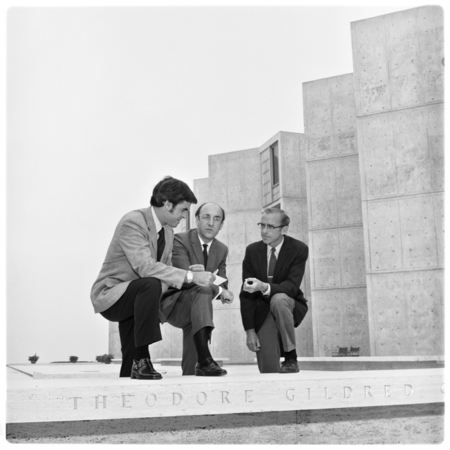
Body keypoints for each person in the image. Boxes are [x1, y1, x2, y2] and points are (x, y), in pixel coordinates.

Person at [90, 176, 216, 380]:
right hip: (112, 296)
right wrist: (190, 276)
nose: (185, 216)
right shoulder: (133, 221)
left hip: (139, 297)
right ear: (168, 204)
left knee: (129, 368)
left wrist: (189, 273)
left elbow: (164, 269)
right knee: (150, 283)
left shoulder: (167, 231)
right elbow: (146, 267)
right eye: (183, 209)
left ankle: (136, 367)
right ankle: (143, 359)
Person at [161, 202, 234, 376]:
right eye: (206, 217)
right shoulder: (180, 240)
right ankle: (205, 359)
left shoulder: (222, 249)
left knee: (201, 302)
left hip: (198, 307)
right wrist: (217, 288)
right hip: (174, 304)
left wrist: (224, 290)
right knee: (203, 291)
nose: (211, 223)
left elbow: (222, 281)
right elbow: (187, 278)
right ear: (197, 219)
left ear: (221, 225)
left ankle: (196, 368)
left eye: (217, 219)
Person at [240, 207, 308, 374]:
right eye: (262, 225)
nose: (264, 231)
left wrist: (265, 287)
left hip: (288, 303)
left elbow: (292, 286)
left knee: (278, 298)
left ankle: (291, 356)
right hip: (261, 309)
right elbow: (246, 293)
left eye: (270, 227)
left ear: (284, 229)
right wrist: (250, 331)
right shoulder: (252, 251)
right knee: (269, 370)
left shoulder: (299, 249)